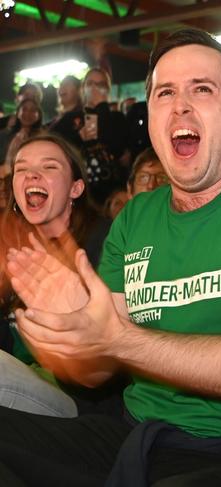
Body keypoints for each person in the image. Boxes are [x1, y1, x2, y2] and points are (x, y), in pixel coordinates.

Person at [0, 28, 221, 486]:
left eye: (202, 89)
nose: (180, 104)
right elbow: (101, 370)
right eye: (165, 92)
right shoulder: (136, 217)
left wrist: (116, 338)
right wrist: (69, 336)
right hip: (133, 433)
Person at [0, 133, 114, 418]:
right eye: (22, 169)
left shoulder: (106, 241)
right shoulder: (9, 241)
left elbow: (109, 360)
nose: (31, 175)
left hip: (83, 403)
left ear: (76, 188)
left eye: (49, 167)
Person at [49, 68, 128, 205]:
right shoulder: (70, 119)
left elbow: (118, 148)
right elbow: (54, 148)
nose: (94, 88)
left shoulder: (116, 117)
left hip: (113, 192)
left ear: (108, 89)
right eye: (90, 83)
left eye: (101, 84)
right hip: (80, 195)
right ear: (83, 88)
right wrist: (78, 137)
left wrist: (101, 106)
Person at [0, 98, 44, 174]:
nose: (28, 113)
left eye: (33, 110)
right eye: (24, 109)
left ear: (39, 115)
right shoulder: (4, 134)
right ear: (18, 113)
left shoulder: (42, 139)